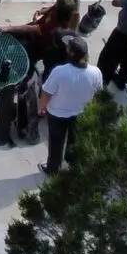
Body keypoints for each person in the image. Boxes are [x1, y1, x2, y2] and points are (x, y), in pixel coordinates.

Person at [39, 34, 102, 174]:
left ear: (70, 53)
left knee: (56, 142)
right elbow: (98, 94)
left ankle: (52, 169)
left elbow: (47, 92)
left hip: (57, 113)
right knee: (75, 141)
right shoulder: (96, 72)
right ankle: (72, 165)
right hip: (81, 112)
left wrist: (43, 107)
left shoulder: (60, 72)